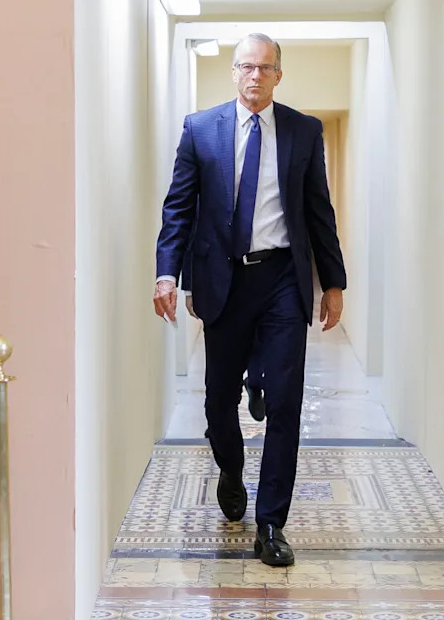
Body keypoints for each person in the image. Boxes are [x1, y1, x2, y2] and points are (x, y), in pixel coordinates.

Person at [153, 33, 346, 567]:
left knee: (286, 401)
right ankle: (231, 467)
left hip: (282, 277)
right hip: (223, 280)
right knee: (219, 400)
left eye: (265, 68)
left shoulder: (304, 131)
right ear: (234, 72)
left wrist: (333, 282)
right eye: (246, 67)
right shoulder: (200, 130)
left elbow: (318, 209)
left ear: (279, 75)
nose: (255, 76)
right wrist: (167, 273)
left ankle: (271, 524)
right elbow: (178, 208)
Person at [182, 247, 267, 429]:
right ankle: (217, 422)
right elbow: (191, 236)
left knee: (259, 337)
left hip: (266, 273)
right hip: (220, 278)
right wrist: (190, 287)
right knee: (222, 359)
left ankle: (255, 383)